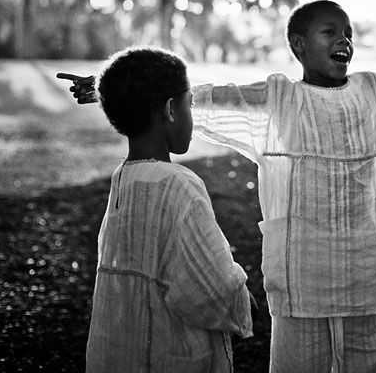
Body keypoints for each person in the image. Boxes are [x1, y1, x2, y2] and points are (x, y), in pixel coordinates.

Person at [60, 0, 376, 373]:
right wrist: (109, 84)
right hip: (301, 271)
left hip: (366, 263)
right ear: (297, 44)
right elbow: (199, 99)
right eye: (330, 31)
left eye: (349, 33)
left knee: (366, 362)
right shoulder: (279, 98)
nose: (345, 40)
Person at [82, 46, 254, 373]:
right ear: (171, 109)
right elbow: (210, 290)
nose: (191, 114)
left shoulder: (125, 177)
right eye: (190, 103)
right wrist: (243, 301)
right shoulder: (178, 184)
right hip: (169, 355)